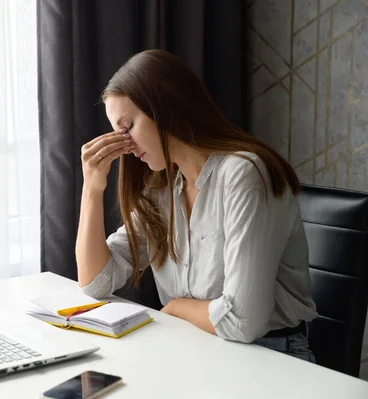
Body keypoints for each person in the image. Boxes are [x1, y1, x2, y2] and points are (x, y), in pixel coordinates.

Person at [75, 49, 318, 362]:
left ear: (165, 108)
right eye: (117, 131)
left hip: (272, 358)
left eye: (129, 126)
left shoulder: (244, 175)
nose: (125, 143)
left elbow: (243, 321)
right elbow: (95, 283)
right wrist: (92, 189)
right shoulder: (161, 189)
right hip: (195, 351)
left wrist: (177, 307)